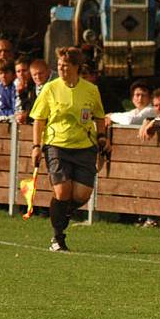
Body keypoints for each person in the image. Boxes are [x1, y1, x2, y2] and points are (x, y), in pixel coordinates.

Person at [30, 46, 109, 252]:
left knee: (82, 195)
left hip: (85, 146)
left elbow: (99, 116)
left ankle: (59, 214)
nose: (61, 69)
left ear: (76, 66)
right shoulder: (50, 88)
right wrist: (36, 146)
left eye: (65, 65)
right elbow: (39, 119)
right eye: (59, 65)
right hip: (57, 145)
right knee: (63, 191)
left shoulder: (91, 90)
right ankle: (58, 236)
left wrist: (102, 137)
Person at [14, 55, 36, 124]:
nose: (21, 74)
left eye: (24, 70)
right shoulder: (18, 85)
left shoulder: (36, 85)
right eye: (18, 71)